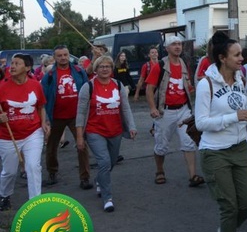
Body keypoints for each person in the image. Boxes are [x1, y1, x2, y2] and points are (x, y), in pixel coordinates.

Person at [195, 32, 247, 232]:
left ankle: (227, 229)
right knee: (229, 205)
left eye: (241, 54)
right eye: (237, 55)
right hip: (215, 151)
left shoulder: (240, 78)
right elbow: (201, 123)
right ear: (222, 58)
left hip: (241, 146)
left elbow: (243, 109)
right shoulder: (206, 84)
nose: (242, 58)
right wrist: (234, 118)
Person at [75, 55, 137, 213]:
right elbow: (81, 113)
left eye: (108, 66)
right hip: (95, 130)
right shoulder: (88, 87)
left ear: (112, 69)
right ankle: (107, 197)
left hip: (115, 131)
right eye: (101, 66)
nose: (104, 69)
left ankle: (99, 180)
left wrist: (131, 126)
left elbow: (125, 108)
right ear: (95, 69)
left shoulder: (118, 85)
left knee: (111, 162)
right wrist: (80, 136)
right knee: (103, 162)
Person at [146, 35, 204, 187]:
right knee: (161, 145)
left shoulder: (184, 64)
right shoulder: (160, 65)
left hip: (184, 109)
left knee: (189, 143)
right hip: (165, 112)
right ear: (167, 48)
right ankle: (159, 171)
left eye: (179, 44)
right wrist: (153, 108)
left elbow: (187, 86)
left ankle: (192, 176)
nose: (177, 46)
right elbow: (150, 88)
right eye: (174, 44)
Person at [0, 54, 51, 211]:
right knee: (9, 171)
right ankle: (4, 195)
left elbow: (41, 106)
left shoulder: (35, 85)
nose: (12, 66)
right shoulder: (2, 86)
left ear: (27, 68)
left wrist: (43, 123)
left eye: (17, 63)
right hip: (8, 136)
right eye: (12, 63)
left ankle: (35, 203)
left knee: (33, 166)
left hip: (32, 132)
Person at [40, 44, 93, 189]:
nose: (63, 58)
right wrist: (45, 119)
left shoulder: (78, 71)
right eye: (59, 55)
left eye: (65, 55)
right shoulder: (49, 76)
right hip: (56, 116)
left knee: (82, 146)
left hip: (76, 116)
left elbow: (88, 89)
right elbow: (43, 98)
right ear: (54, 57)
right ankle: (52, 173)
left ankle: (85, 177)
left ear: (69, 55)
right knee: (51, 147)